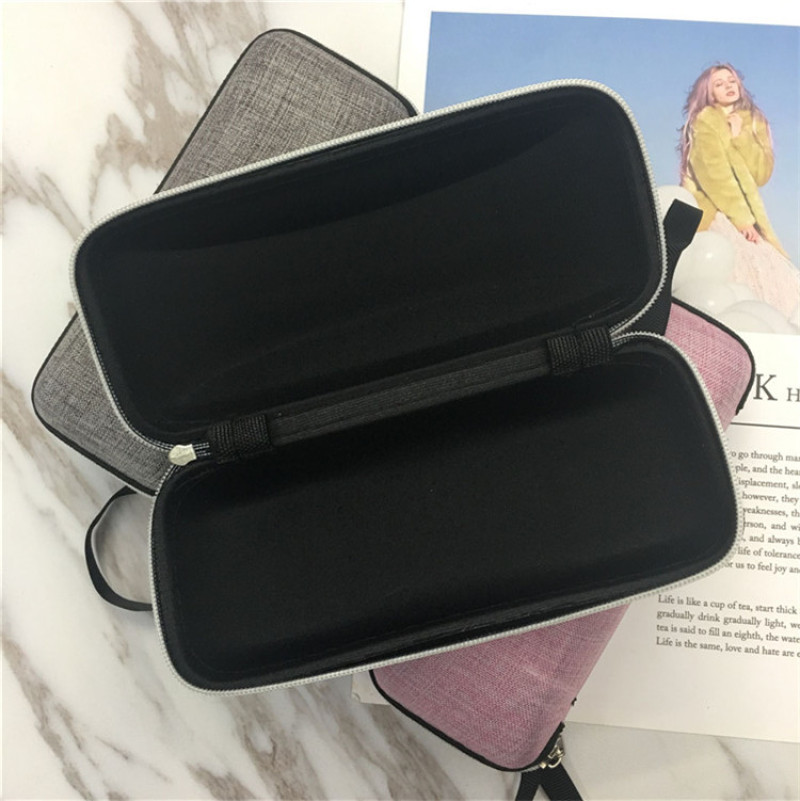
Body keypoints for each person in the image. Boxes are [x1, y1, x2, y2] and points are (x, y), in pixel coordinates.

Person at [679, 63, 798, 317]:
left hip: (752, 217)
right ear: (709, 92)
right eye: (719, 84)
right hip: (715, 212)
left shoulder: (753, 121)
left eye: (731, 81)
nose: (728, 86)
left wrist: (738, 136)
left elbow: (761, 174)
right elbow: (713, 174)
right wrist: (741, 218)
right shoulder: (705, 120)